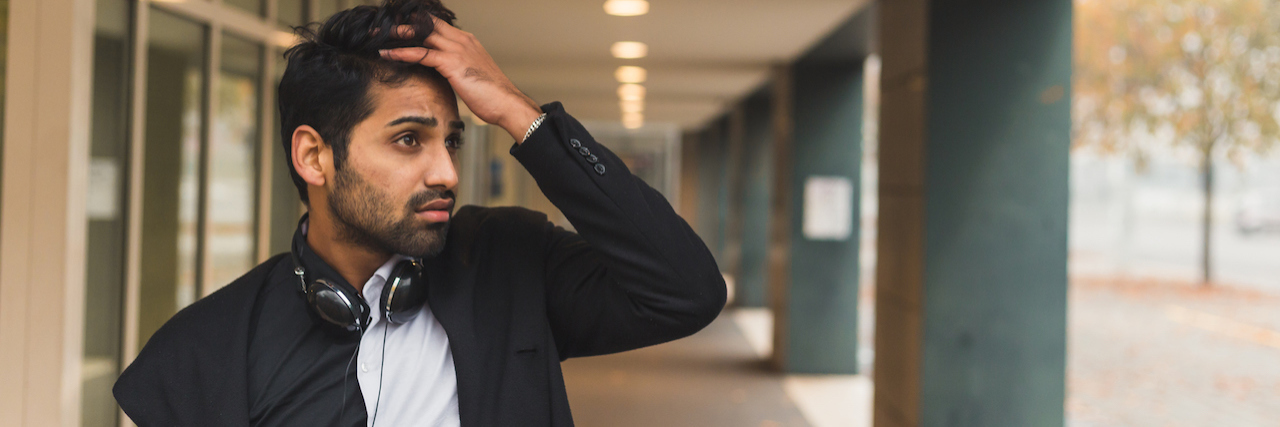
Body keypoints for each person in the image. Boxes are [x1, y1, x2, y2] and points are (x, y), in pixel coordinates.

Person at [111, 0, 726, 426]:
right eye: (409, 139)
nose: (446, 173)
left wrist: (520, 114)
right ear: (314, 156)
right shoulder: (204, 352)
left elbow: (686, 291)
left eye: (451, 140)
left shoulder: (509, 265)